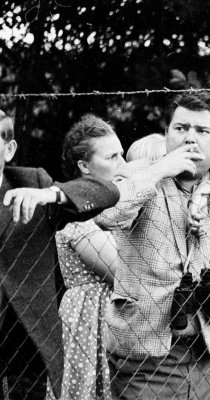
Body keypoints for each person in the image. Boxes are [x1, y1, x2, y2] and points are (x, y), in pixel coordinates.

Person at [95, 91, 210, 400]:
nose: (190, 138)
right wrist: (160, 169)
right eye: (181, 128)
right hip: (147, 355)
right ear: (166, 133)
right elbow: (107, 214)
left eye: (202, 130)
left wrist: (207, 192)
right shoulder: (138, 173)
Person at [0, 110, 119, 399]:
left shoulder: (32, 182)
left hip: (23, 346)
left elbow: (107, 191)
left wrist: (51, 194)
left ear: (9, 150)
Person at [46, 114, 125, 400]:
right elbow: (123, 273)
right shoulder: (77, 216)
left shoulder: (116, 207)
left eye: (122, 154)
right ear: (84, 166)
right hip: (90, 318)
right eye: (112, 157)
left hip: (118, 317)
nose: (122, 164)